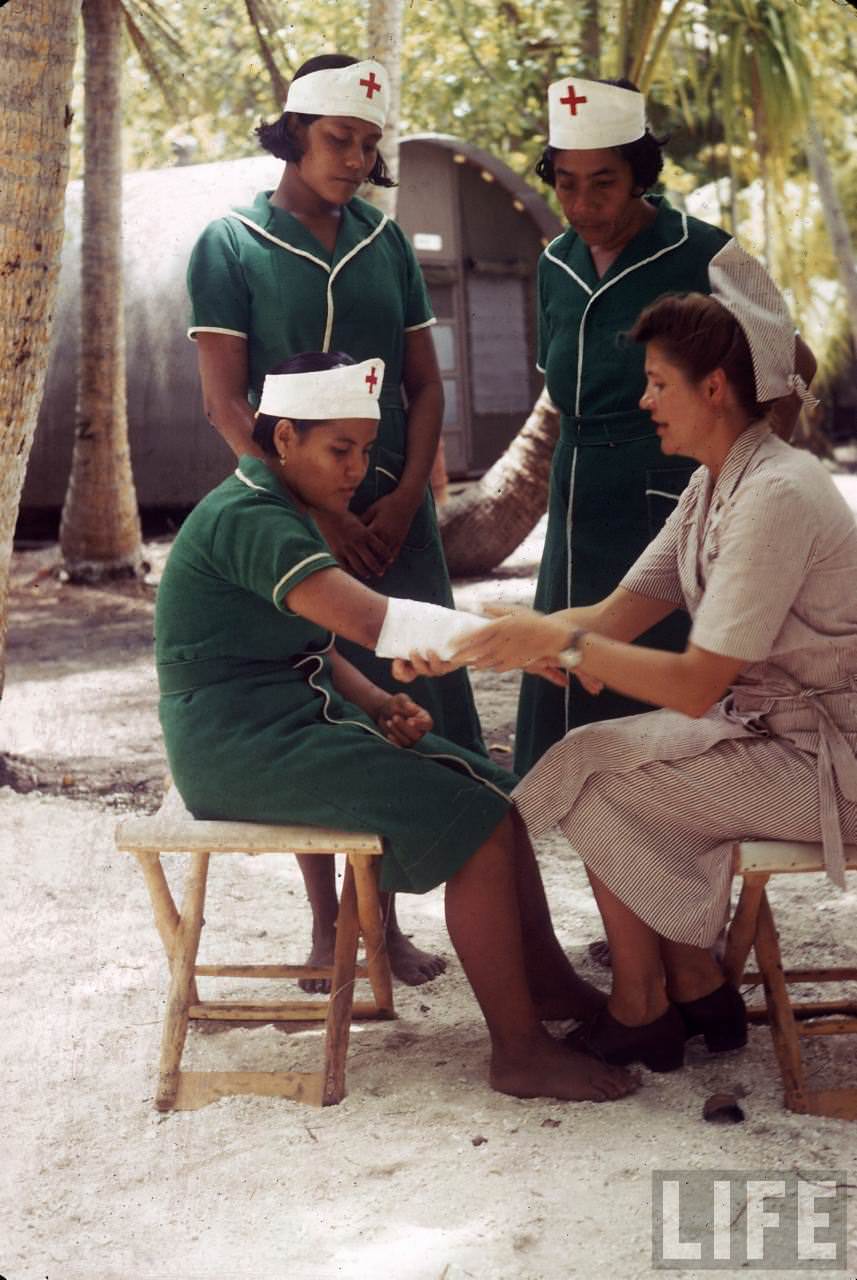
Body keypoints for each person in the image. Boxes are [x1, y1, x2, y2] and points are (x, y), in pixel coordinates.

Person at [406, 243, 857, 1072]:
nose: (644, 399)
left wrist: (561, 642)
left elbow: (693, 683)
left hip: (830, 764)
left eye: (657, 382)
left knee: (599, 778)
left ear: (714, 390)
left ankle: (655, 997)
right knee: (584, 755)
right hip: (770, 739)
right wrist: (465, 647)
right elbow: (612, 615)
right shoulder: (713, 485)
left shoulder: (778, 494)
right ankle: (686, 988)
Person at [154, 350, 636, 1103]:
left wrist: (378, 704)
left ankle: (548, 988)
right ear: (284, 440)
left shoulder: (277, 505)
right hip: (238, 747)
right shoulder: (253, 518)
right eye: (338, 449)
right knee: (470, 822)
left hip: (276, 723)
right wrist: (518, 642)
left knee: (495, 794)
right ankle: (517, 1053)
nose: (355, 469)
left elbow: (310, 645)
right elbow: (373, 623)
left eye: (365, 451)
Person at [186, 53, 485, 988]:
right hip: (296, 515)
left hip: (394, 514)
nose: (354, 159)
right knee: (312, 693)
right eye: (336, 139)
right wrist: (307, 502)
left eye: (368, 144)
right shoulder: (229, 242)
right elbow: (225, 406)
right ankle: (329, 928)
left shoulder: (382, 242)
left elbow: (425, 384)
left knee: (402, 696)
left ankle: (384, 923)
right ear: (291, 133)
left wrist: (401, 501)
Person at [514, 74, 816, 777]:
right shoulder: (553, 264)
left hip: (670, 498)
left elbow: (788, 368)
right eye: (565, 184)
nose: (583, 205)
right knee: (567, 684)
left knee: (666, 721)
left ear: (640, 176)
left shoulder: (706, 254)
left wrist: (741, 487)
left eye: (603, 184)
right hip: (575, 499)